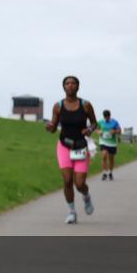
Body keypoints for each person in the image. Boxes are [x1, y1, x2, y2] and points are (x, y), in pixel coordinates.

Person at [45, 76, 98, 224]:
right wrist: (50, 127)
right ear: (63, 87)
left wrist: (89, 129)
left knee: (79, 183)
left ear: (78, 87)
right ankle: (72, 212)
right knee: (67, 180)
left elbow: (94, 123)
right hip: (64, 146)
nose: (70, 85)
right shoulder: (58, 106)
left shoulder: (86, 105)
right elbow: (54, 127)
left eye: (73, 83)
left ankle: (86, 196)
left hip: (81, 146)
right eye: (67, 83)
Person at [97, 109, 122, 180]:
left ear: (109, 116)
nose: (106, 119)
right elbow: (96, 129)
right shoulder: (100, 122)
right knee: (104, 155)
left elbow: (120, 131)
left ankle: (110, 172)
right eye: (105, 117)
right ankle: (104, 173)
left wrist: (115, 131)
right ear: (104, 117)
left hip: (112, 143)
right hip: (103, 142)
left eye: (107, 117)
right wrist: (99, 132)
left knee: (111, 159)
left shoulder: (114, 122)